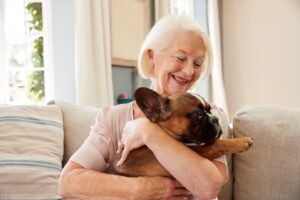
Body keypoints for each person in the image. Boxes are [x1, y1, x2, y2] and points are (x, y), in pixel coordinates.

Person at [58, 14, 228, 200]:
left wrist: (148, 132)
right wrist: (138, 188)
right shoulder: (114, 119)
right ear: (151, 57)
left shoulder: (206, 118)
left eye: (198, 63)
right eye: (180, 58)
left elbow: (209, 188)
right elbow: (68, 182)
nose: (189, 71)